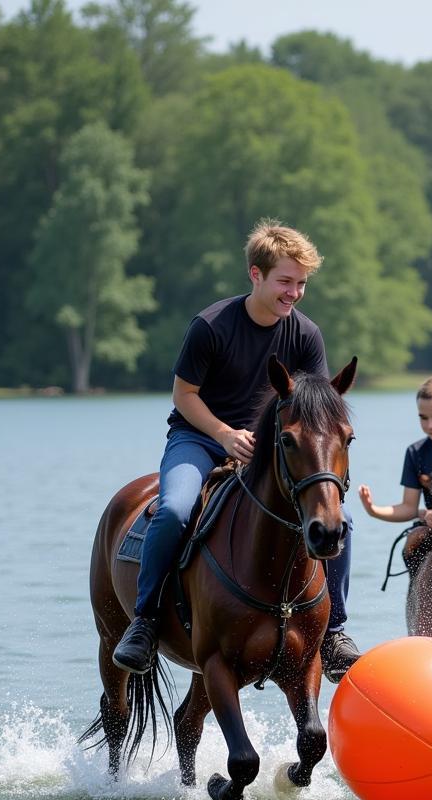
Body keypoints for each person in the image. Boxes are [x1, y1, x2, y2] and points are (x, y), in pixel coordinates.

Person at [112, 219, 361, 683]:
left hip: (272, 450)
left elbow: (314, 411)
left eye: (302, 284)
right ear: (255, 274)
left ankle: (335, 631)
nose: (294, 293)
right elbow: (184, 395)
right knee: (174, 509)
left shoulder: (306, 335)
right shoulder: (210, 326)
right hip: (200, 438)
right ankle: (144, 622)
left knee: (341, 520)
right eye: (285, 281)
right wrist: (226, 435)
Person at [358, 374, 432, 572]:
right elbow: (409, 507)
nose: (430, 425)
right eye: (423, 417)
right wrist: (373, 510)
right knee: (413, 540)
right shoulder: (416, 453)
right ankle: (416, 596)